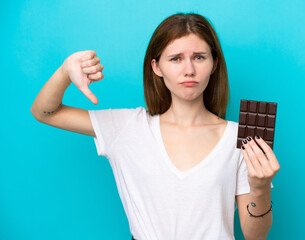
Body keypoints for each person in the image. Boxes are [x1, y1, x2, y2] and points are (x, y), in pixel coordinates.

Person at [30, 12, 280, 240]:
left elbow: (254, 236)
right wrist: (65, 71)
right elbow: (45, 112)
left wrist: (259, 188)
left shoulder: (244, 137)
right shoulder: (127, 127)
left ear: (214, 64)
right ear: (156, 67)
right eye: (175, 59)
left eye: (199, 57)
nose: (189, 70)